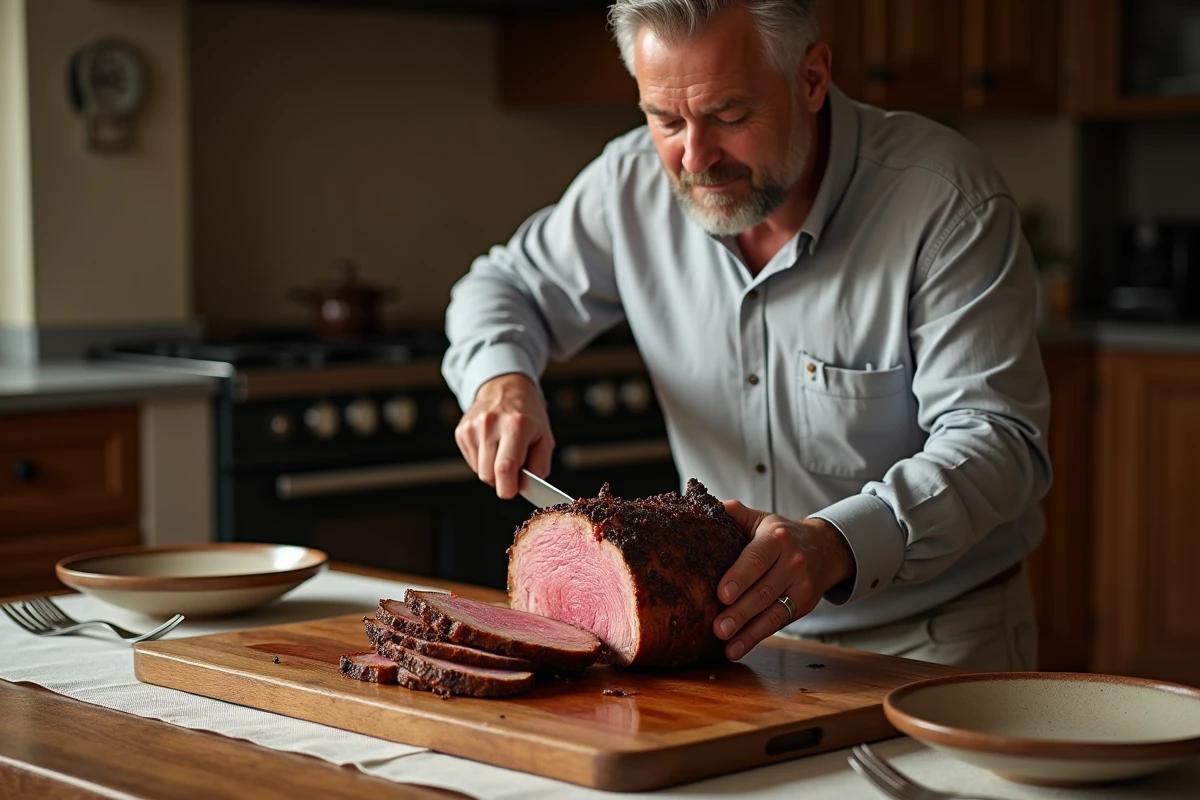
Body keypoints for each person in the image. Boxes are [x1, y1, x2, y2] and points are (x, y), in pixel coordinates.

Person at [441, 0, 1051, 672]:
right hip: (724, 643)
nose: (695, 157)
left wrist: (836, 544)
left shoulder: (945, 201)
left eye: (729, 115)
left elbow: (997, 440)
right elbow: (502, 286)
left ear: (812, 78)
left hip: (927, 641)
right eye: (665, 120)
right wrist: (501, 379)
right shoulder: (628, 186)